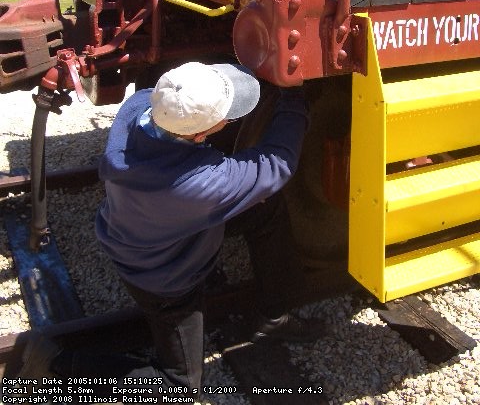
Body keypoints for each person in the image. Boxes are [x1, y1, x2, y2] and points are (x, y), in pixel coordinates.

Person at [17, 61, 324, 394]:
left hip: (147, 228)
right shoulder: (201, 185)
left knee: (266, 209)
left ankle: (272, 317)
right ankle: (55, 366)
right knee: (179, 386)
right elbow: (277, 162)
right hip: (163, 281)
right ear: (200, 134)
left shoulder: (138, 110)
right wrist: (293, 97)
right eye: (227, 115)